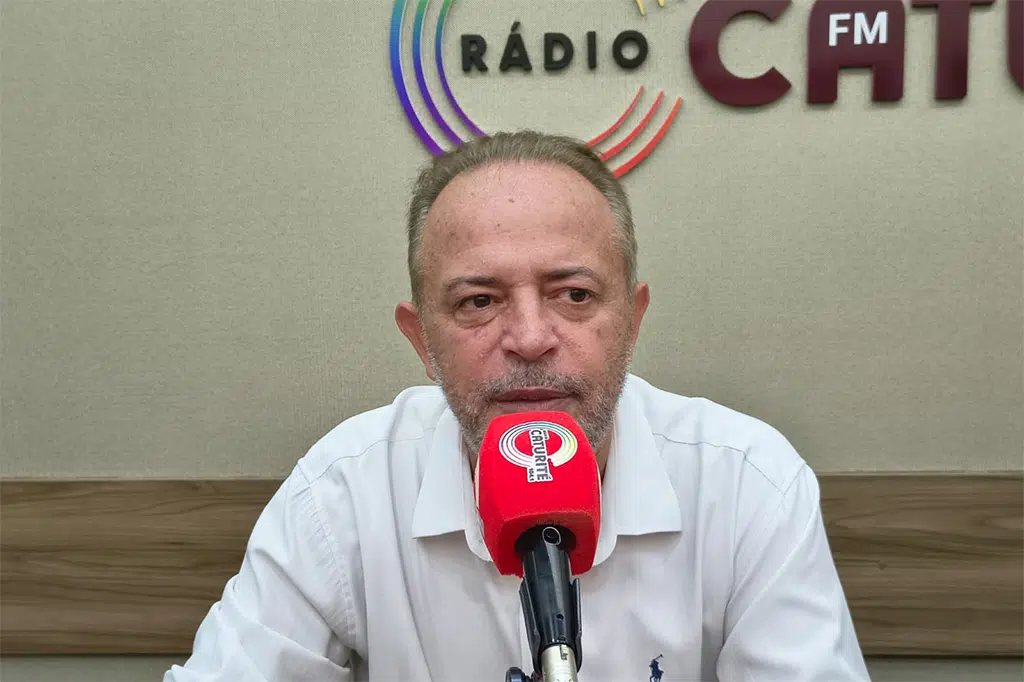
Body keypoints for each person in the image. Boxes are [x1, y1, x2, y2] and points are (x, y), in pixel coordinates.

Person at [164, 130, 871, 681]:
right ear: (422, 340)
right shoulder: (344, 490)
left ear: (632, 321)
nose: (530, 339)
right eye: (479, 301)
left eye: (574, 295)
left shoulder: (749, 483)